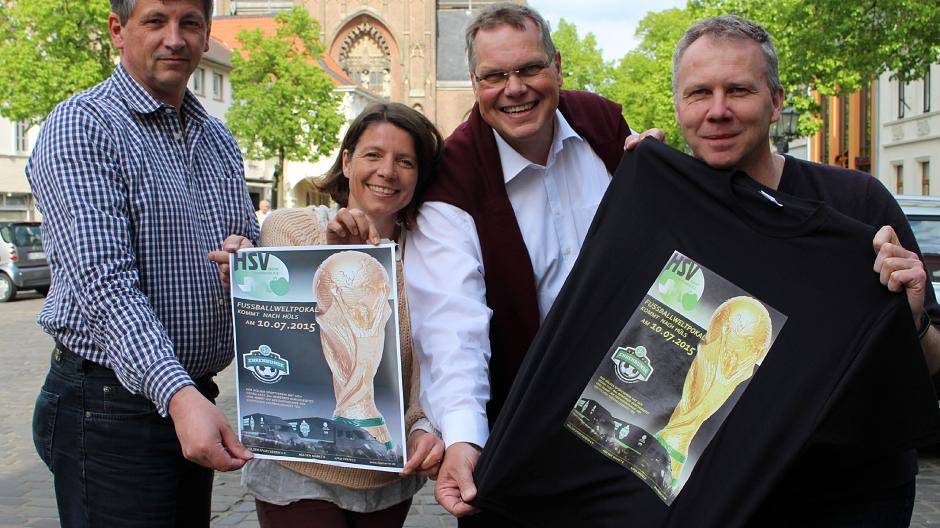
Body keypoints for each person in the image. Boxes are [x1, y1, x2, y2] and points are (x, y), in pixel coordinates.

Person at [671, 15, 940, 524]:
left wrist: (911, 319)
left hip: (850, 494)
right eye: (699, 92)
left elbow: (932, 365)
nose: (718, 110)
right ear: (680, 106)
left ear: (775, 102)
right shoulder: (662, 212)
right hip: (715, 492)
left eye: (739, 90)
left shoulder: (858, 204)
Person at [403, 3, 663, 521]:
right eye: (494, 76)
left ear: (558, 66)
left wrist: (663, 174)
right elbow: (454, 324)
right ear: (475, 83)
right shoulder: (452, 176)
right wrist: (463, 436)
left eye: (528, 69)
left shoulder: (604, 125)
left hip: (632, 414)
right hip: (522, 423)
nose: (514, 88)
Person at [27, 0, 257, 526]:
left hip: (191, 397)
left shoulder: (217, 138)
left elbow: (247, 235)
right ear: (118, 30)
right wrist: (178, 395)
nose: (174, 38)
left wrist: (249, 254)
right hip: (112, 408)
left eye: (190, 23)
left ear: (206, 33)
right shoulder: (83, 126)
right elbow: (103, 285)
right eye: (155, 21)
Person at [241, 103, 447, 528]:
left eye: (405, 161)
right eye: (373, 155)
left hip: (385, 468)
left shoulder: (430, 253)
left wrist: (424, 424)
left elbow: (435, 356)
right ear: (348, 160)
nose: (387, 171)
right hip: (300, 470)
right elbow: (280, 328)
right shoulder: (288, 229)